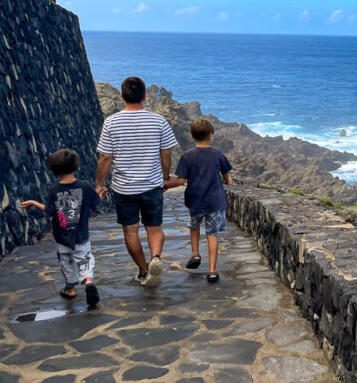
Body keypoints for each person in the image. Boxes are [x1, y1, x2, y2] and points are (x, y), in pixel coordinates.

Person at [95, 77, 177, 285]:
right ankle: (155, 258)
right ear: (144, 96)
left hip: (124, 188)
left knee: (131, 231)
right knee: (154, 228)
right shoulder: (158, 121)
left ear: (122, 96)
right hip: (151, 184)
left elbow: (105, 157)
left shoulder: (111, 122)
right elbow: (166, 153)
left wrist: (100, 183)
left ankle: (143, 270)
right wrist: (165, 177)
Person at [20, 149, 102, 307]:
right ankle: (88, 281)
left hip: (62, 235)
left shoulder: (54, 190)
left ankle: (70, 289)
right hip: (81, 234)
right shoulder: (85, 186)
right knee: (83, 259)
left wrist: (34, 203)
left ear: (54, 170)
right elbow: (95, 202)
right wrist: (99, 194)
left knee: (66, 260)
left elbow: (50, 210)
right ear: (76, 166)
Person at [163, 118, 233, 283]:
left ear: (192, 136)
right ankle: (212, 270)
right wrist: (227, 181)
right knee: (212, 234)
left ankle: (195, 253)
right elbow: (226, 174)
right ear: (210, 136)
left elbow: (180, 181)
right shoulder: (217, 154)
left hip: (195, 199)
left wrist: (165, 185)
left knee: (194, 226)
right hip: (215, 201)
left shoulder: (187, 156)